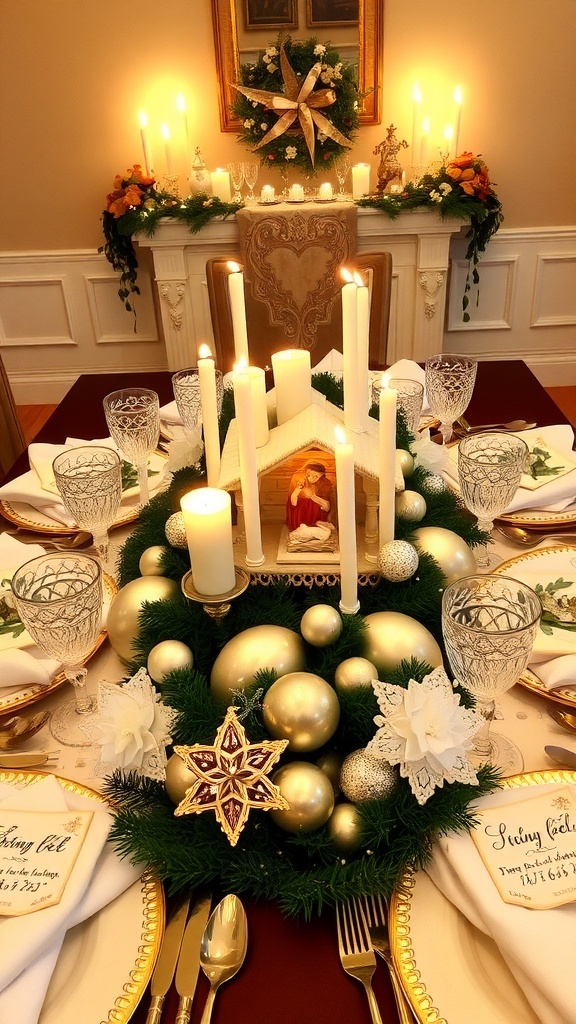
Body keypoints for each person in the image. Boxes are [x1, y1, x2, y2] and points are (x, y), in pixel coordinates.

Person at [286, 462, 333, 531]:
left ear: (321, 475)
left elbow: (327, 507)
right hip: (300, 522)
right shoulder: (299, 480)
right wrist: (299, 489)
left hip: (317, 521)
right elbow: (293, 503)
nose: (311, 478)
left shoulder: (324, 484)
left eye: (316, 476)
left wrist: (313, 496)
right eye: (308, 475)